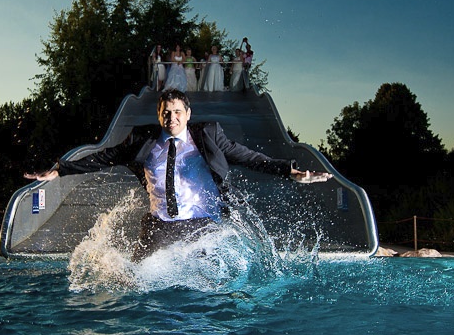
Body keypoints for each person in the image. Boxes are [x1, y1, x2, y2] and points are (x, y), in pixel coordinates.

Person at [25, 89, 332, 260]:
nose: (171, 118)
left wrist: (289, 171)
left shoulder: (208, 135)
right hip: (161, 225)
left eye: (177, 112)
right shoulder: (142, 139)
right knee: (138, 279)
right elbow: (105, 157)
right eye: (165, 112)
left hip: (204, 223)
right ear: (159, 114)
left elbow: (248, 157)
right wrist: (61, 170)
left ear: (188, 114)